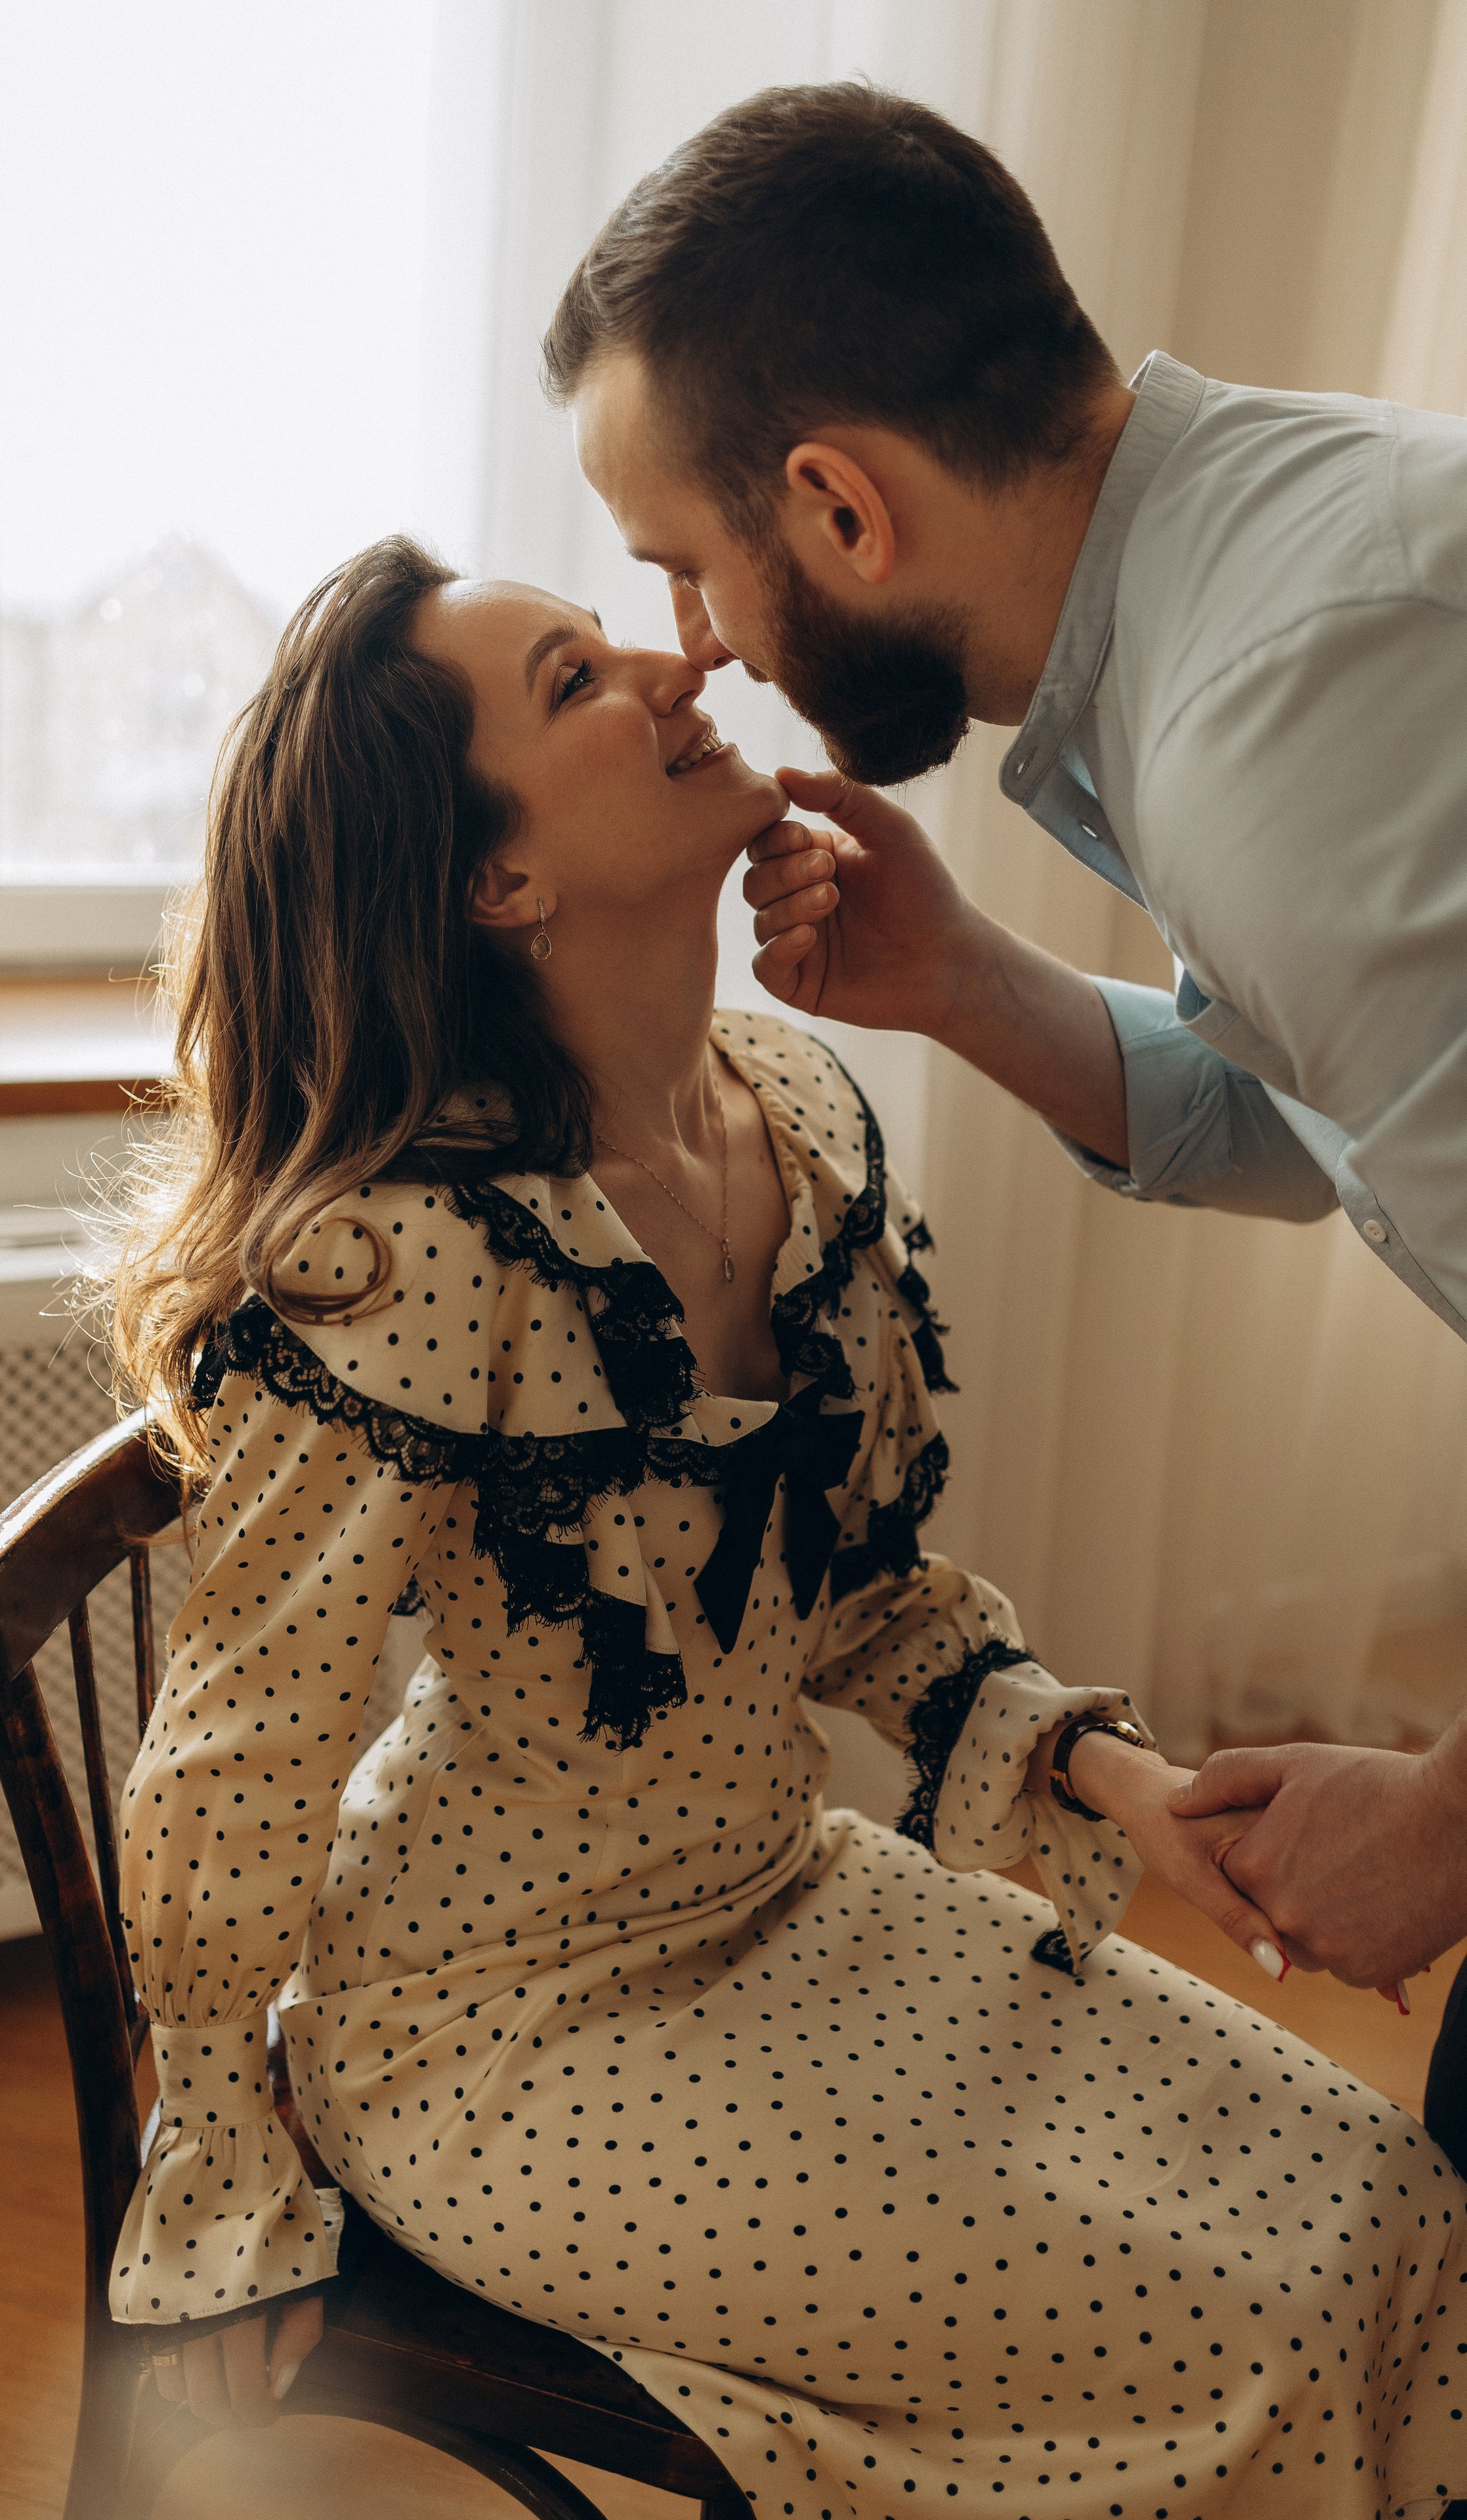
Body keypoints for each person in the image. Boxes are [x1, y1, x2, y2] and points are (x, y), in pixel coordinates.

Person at [100, 535, 1467, 2513]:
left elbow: (862, 1596)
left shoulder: (798, 1117)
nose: (674, 671)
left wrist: (1127, 1785)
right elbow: (235, 1766)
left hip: (791, 1903)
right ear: (503, 881)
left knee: (1381, 2201)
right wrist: (221, 2191)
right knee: (1238, 2316)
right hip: (501, 2030)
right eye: (577, 682)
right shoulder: (399, 1260)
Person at [542, 79, 1467, 2015]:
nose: (697, 646)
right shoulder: (1261, 574)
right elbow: (1326, 1122)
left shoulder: (1273, 726)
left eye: (686, 566)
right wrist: (966, 983)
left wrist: (1444, 1828)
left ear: (842, 504)